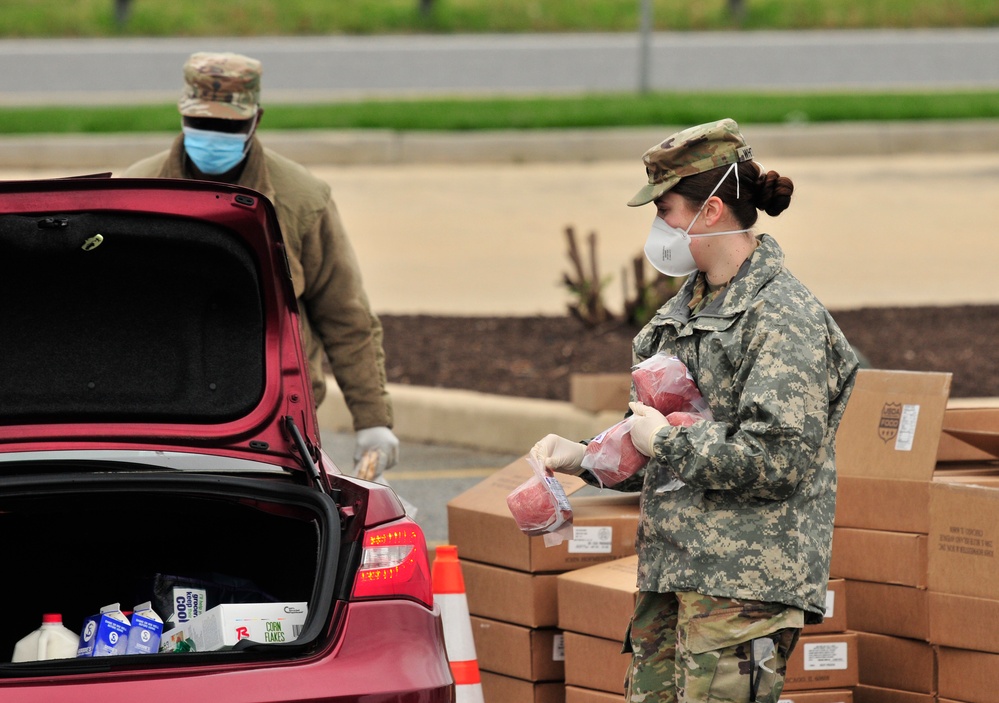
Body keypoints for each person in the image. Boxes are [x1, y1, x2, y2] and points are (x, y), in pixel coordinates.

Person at [532, 118, 859, 703]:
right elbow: (655, 441)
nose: (660, 229)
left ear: (711, 211)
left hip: (743, 588)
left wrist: (668, 444)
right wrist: (583, 457)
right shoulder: (678, 315)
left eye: (667, 211)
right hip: (673, 577)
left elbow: (778, 457)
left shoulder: (783, 319)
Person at [122, 51, 399, 476]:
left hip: (274, 423)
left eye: (228, 125)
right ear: (182, 116)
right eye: (202, 123)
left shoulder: (301, 200)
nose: (213, 135)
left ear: (256, 120)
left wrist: (373, 419)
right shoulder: (135, 193)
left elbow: (345, 316)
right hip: (164, 415)